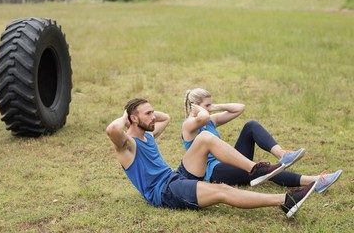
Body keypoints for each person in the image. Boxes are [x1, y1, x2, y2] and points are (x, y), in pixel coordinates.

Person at [106, 98, 318, 218]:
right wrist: (126, 116)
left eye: (152, 112)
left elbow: (166, 118)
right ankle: (285, 201)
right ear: (133, 119)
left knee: (205, 137)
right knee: (222, 191)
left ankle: (256, 170)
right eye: (148, 114)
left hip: (175, 176)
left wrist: (142, 113)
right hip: (164, 192)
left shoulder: (148, 136)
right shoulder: (128, 147)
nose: (154, 117)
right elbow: (113, 129)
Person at [182, 88, 342, 191]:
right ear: (195, 106)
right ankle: (314, 182)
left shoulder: (210, 119)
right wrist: (201, 111)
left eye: (211, 105)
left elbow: (240, 108)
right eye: (207, 105)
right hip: (215, 172)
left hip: (230, 160)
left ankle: (282, 154)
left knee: (250, 126)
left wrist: (214, 107)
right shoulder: (189, 126)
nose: (210, 109)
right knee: (261, 170)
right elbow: (201, 118)